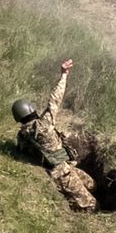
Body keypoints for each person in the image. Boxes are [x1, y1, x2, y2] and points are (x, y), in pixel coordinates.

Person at [12, 59, 98, 212]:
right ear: (32, 110)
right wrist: (64, 75)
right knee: (91, 204)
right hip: (61, 173)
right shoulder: (43, 126)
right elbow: (55, 100)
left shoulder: (22, 136)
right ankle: (82, 215)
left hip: (64, 167)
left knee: (91, 183)